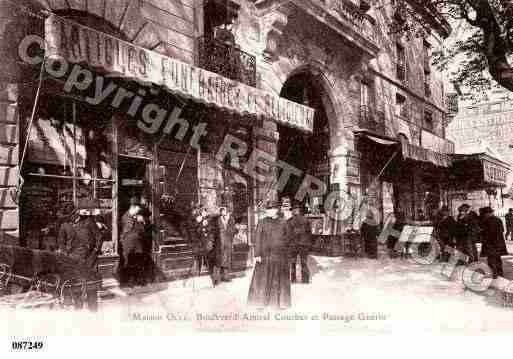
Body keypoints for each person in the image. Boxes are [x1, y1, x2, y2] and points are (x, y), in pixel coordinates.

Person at [57, 198, 103, 311]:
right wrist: (65, 255)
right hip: (73, 261)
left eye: (70, 216)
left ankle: (93, 313)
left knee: (91, 289)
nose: (69, 219)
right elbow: (61, 243)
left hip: (89, 260)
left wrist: (95, 253)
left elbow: (99, 238)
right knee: (76, 289)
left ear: (76, 212)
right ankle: (79, 312)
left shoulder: (89, 221)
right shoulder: (65, 225)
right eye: (66, 217)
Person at [248, 199, 292, 309]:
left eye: (271, 209)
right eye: (268, 209)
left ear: (276, 210)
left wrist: (286, 253)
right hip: (265, 256)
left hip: (279, 256)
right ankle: (260, 303)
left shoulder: (283, 222)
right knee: (262, 280)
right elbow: (257, 239)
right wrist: (257, 254)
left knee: (279, 280)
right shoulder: (262, 222)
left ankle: (280, 303)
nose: (269, 211)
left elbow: (288, 239)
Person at [120, 196, 146, 287]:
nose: (139, 209)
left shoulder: (139, 217)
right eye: (138, 207)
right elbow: (126, 229)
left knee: (138, 262)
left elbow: (142, 231)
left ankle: (138, 280)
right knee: (128, 262)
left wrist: (142, 222)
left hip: (138, 244)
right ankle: (129, 282)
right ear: (133, 207)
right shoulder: (125, 216)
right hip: (128, 243)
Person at [288, 201, 312, 283]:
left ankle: (293, 280)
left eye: (294, 209)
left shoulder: (289, 221)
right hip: (304, 245)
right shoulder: (306, 220)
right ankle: (305, 280)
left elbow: (287, 234)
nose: (294, 211)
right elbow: (309, 233)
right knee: (304, 263)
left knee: (293, 263)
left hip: (293, 245)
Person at [481, 206, 508, 278]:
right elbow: (502, 229)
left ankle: (494, 274)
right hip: (498, 243)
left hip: (491, 243)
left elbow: (488, 233)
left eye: (485, 214)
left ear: (488, 213)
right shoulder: (498, 219)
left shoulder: (487, 221)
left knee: (491, 259)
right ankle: (500, 273)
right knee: (497, 259)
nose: (484, 215)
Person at [212, 206, 236, 284]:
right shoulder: (217, 220)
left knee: (227, 260)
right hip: (219, 243)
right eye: (221, 211)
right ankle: (216, 278)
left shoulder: (231, 219)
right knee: (218, 261)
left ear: (227, 211)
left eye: (224, 211)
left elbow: (234, 230)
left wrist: (231, 234)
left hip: (228, 242)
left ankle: (226, 277)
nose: (223, 212)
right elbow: (214, 231)